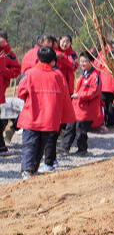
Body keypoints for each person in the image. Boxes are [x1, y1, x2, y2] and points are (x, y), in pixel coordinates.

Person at [17, 46, 74, 178]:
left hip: (31, 116)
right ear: (53, 61)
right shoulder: (58, 76)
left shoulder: (29, 73)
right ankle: (33, 168)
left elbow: (21, 92)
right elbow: (65, 98)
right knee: (41, 144)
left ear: (38, 58)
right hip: (50, 118)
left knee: (30, 143)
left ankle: (27, 170)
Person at [61, 51, 102, 155]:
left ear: (91, 62)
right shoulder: (83, 74)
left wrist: (79, 96)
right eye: (81, 61)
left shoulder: (95, 76)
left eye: (85, 61)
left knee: (81, 131)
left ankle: (82, 149)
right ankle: (64, 148)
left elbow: (94, 92)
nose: (82, 64)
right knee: (70, 128)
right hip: (76, 107)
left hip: (86, 110)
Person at [0, 29, 21, 155]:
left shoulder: (8, 54)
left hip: (1, 92)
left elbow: (16, 70)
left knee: (2, 120)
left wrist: (4, 72)